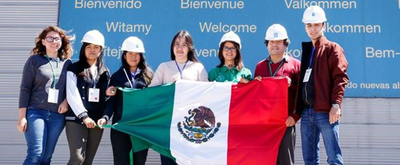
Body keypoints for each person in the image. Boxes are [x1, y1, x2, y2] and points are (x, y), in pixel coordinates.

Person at [296, 6, 349, 165]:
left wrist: (336, 104)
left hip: (325, 111)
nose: (312, 29)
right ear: (305, 27)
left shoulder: (332, 48)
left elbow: (341, 78)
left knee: (334, 158)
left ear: (324, 26)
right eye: (309, 25)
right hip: (307, 113)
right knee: (309, 160)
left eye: (316, 25)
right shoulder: (308, 50)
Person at [149, 30, 208, 165]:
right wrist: (169, 87)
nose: (179, 48)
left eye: (184, 45)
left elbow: (206, 94)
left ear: (189, 48)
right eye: (176, 44)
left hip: (191, 127)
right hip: (168, 125)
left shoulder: (198, 68)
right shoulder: (164, 67)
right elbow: (151, 93)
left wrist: (187, 86)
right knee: (168, 161)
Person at [17, 25, 73, 165]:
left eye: (57, 38)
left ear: (61, 41)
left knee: (46, 157)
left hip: (57, 116)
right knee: (35, 154)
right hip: (36, 112)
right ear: (43, 41)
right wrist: (22, 117)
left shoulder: (67, 63)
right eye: (50, 38)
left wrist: (66, 101)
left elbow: (72, 88)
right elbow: (25, 89)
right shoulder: (34, 61)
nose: (54, 41)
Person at [97, 36, 153, 165]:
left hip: (141, 127)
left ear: (141, 55)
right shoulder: (117, 76)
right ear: (124, 55)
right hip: (120, 127)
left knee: (139, 161)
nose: (134, 57)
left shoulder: (148, 75)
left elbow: (153, 101)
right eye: (130, 53)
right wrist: (105, 117)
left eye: (137, 54)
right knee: (121, 161)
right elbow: (111, 102)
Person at [254, 24, 301, 165]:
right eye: (271, 42)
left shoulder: (295, 65)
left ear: (285, 44)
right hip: (265, 125)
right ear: (267, 44)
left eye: (279, 41)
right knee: (266, 160)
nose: (274, 45)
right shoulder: (260, 66)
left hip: (286, 123)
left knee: (286, 161)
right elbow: (256, 97)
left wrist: (295, 116)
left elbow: (302, 95)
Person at [65, 30, 110, 165]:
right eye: (88, 46)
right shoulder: (74, 68)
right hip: (76, 119)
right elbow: (71, 94)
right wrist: (84, 116)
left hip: (96, 121)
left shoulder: (105, 71)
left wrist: (104, 116)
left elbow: (106, 99)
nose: (92, 50)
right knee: (77, 158)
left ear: (101, 50)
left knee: (88, 161)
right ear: (83, 48)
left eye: (96, 47)